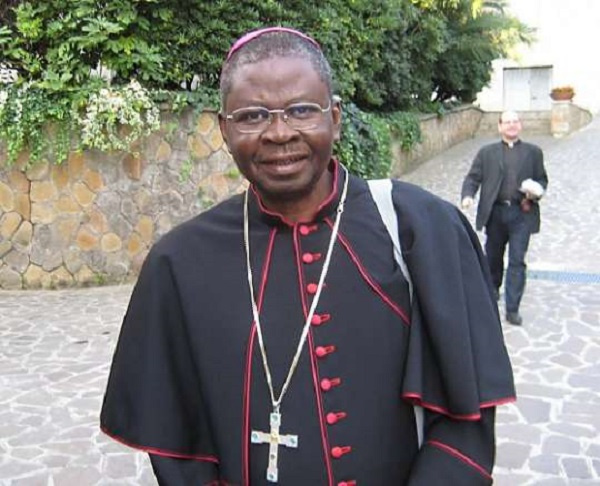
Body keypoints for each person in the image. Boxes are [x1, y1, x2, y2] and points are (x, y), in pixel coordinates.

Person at [101, 27, 515, 485]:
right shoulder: (178, 264)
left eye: (301, 110)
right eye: (253, 115)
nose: (279, 133)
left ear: (335, 118)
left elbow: (466, 420)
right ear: (224, 129)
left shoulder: (425, 230)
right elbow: (179, 452)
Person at [461, 111, 549, 326]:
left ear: (520, 126)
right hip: (496, 213)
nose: (511, 125)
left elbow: (542, 180)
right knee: (493, 258)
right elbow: (473, 178)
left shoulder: (533, 152)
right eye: (507, 122)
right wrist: (468, 196)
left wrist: (536, 191)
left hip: (522, 213)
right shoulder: (487, 152)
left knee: (517, 260)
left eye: (515, 121)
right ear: (500, 127)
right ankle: (491, 294)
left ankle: (512, 308)